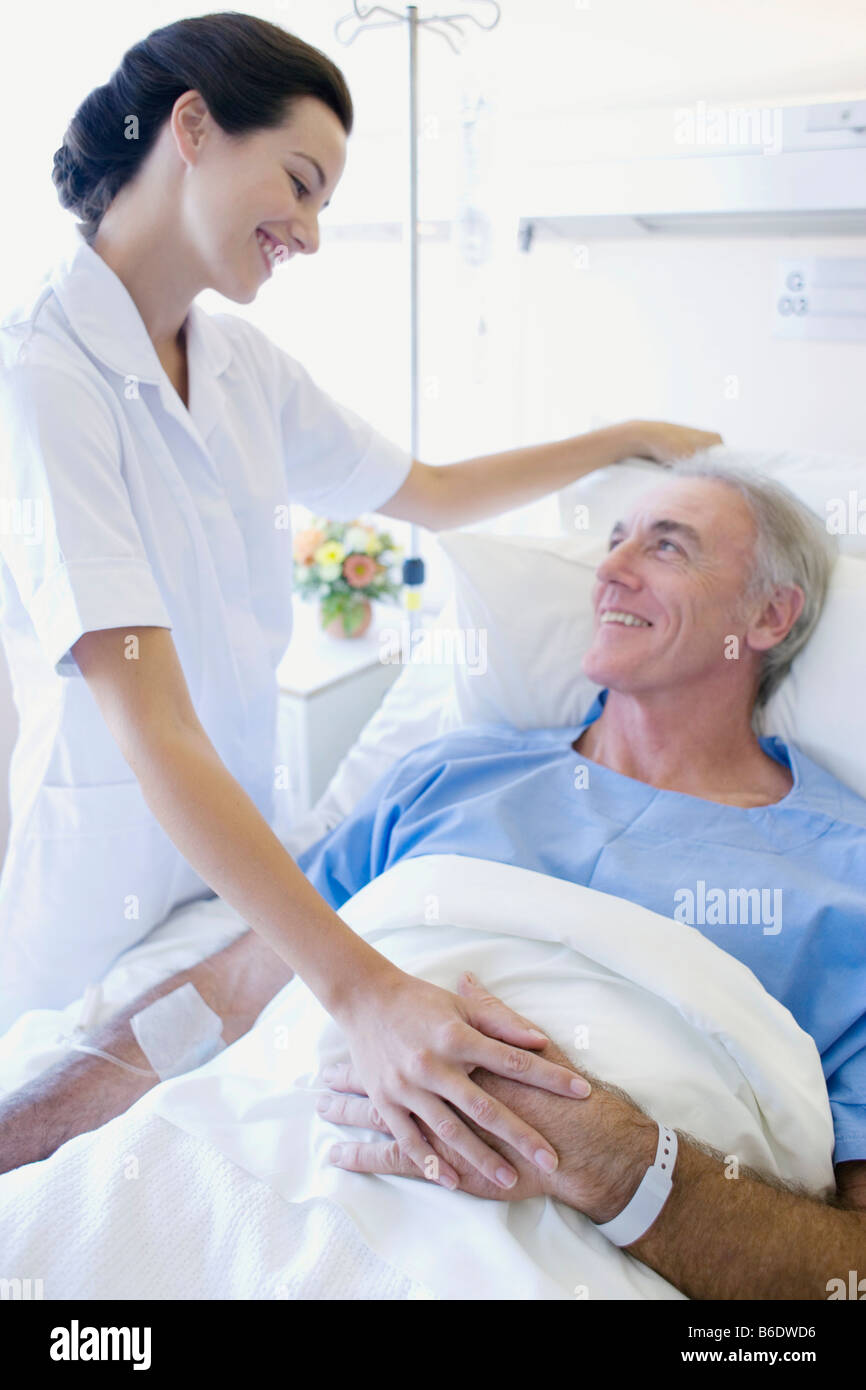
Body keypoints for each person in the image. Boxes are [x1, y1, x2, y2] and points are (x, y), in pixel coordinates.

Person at [0, 11, 720, 1189]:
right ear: (191, 127)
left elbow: (428, 491)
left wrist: (620, 436)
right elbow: (153, 727)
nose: (313, 232)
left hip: (226, 877)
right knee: (65, 1156)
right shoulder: (40, 374)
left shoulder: (237, 367)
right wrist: (363, 990)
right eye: (299, 181)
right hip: (91, 890)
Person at [2, 461, 863, 1299]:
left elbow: (848, 1272)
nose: (609, 572)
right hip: (242, 1167)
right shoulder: (450, 775)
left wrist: (613, 1158)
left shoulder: (843, 878)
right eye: (613, 541)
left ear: (769, 616)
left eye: (666, 548)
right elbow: (227, 992)